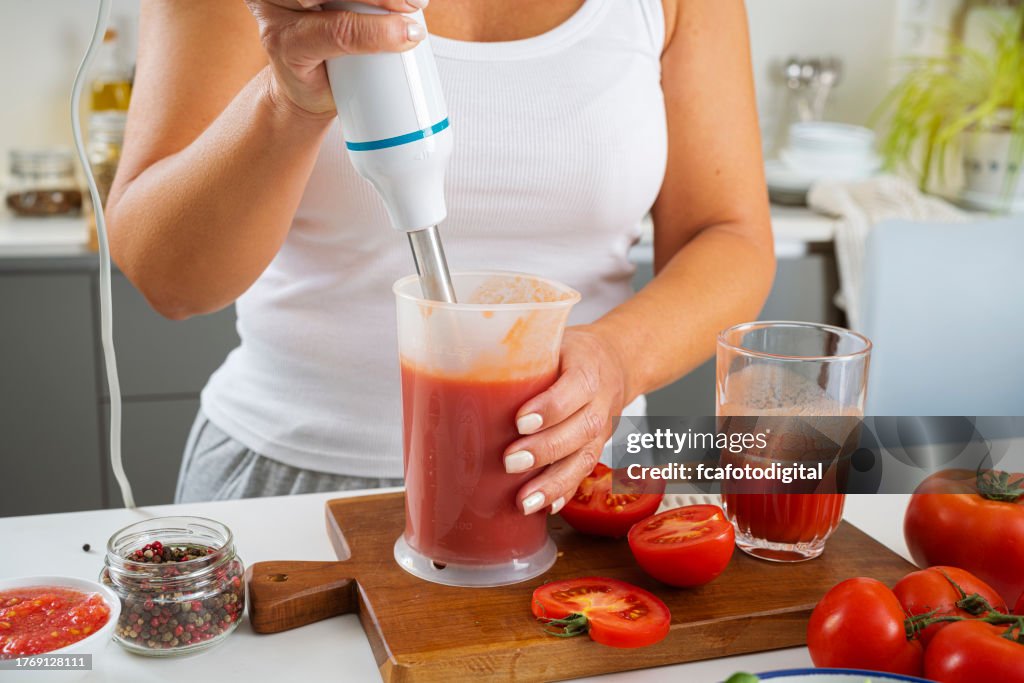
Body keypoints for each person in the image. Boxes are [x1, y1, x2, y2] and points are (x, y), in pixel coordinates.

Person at [106, 0, 775, 514]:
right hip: (294, 481)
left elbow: (730, 234)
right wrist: (287, 103)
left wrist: (619, 360)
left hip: (579, 483)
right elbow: (171, 281)